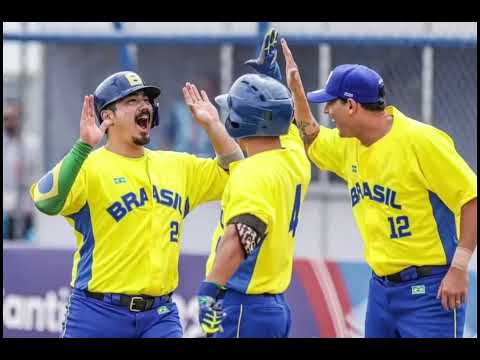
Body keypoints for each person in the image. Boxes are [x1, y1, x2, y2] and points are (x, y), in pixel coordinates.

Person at [280, 38, 477, 338]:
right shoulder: (349, 144)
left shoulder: (421, 141)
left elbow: (471, 198)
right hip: (381, 290)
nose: (328, 112)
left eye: (331, 104)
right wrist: (296, 90)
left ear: (352, 105)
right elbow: (312, 139)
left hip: (430, 291)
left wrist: (460, 267)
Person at [30, 71, 243, 338]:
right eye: (131, 101)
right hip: (97, 312)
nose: (144, 105)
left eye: (146, 100)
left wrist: (213, 125)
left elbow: (238, 174)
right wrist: (83, 146)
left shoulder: (177, 166)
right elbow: (45, 201)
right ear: (108, 116)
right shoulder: (88, 166)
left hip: (160, 316)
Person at [196, 29, 311, 338]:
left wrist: (210, 289)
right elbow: (286, 125)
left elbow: (242, 236)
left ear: (239, 122)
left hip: (242, 306)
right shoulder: (295, 158)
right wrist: (273, 80)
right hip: (273, 308)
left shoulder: (251, 172)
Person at [3, 99, 41, 240]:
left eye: (12, 118)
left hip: (24, 209)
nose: (8, 123)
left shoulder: (30, 145)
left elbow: (35, 178)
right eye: (5, 119)